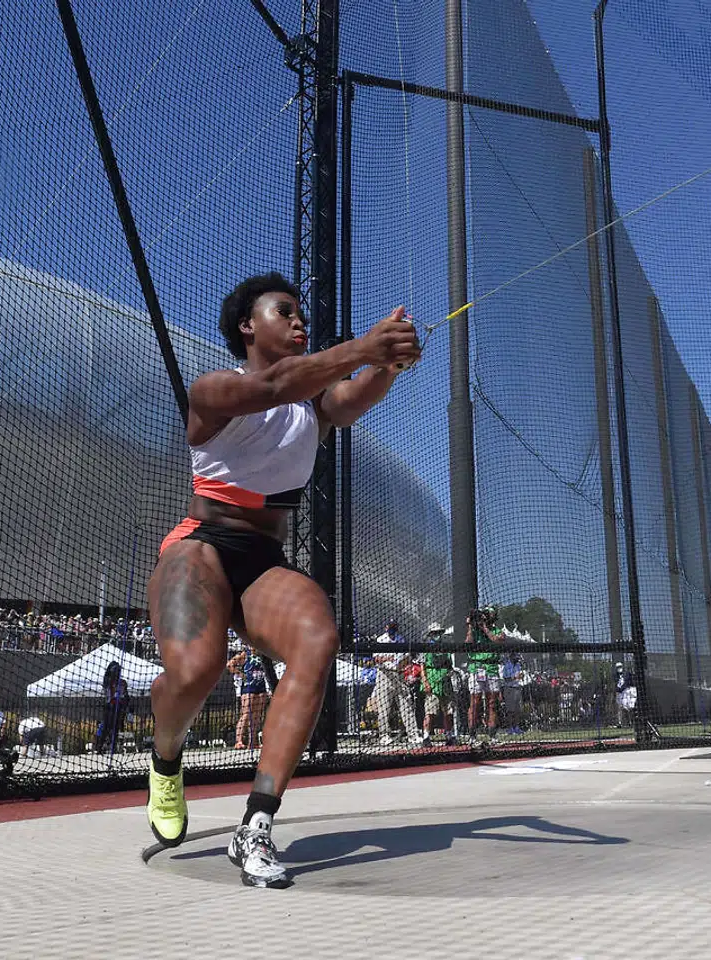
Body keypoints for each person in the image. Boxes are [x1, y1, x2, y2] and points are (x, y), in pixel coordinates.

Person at [144, 272, 419, 888]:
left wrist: (390, 364)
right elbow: (272, 384)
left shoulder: (312, 403)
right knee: (194, 672)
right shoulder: (216, 389)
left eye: (302, 315)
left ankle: (256, 827)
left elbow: (348, 399)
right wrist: (364, 349)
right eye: (284, 312)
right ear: (248, 326)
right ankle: (166, 755)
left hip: (263, 560)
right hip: (202, 545)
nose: (299, 322)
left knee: (317, 640)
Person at [371, 618, 421, 745]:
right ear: (386, 627)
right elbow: (376, 659)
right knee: (384, 708)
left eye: (394, 626)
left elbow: (406, 658)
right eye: (390, 626)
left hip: (399, 674)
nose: (392, 629)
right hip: (385, 675)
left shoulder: (400, 639)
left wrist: (405, 666)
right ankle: (384, 736)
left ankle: (413, 735)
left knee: (407, 704)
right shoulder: (381, 640)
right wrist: (388, 657)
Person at [466, 607, 504, 739]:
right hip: (477, 668)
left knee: (492, 703)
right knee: (474, 702)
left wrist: (485, 629)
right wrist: (471, 626)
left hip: (492, 668)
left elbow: (498, 640)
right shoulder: (474, 631)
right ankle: (472, 735)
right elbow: (468, 643)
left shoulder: (497, 631)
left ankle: (492, 735)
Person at [227, 643, 269, 750]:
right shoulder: (245, 654)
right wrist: (240, 674)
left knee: (256, 716)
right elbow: (230, 664)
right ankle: (239, 741)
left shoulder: (263, 654)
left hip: (261, 686)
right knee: (246, 714)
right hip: (248, 687)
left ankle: (252, 742)